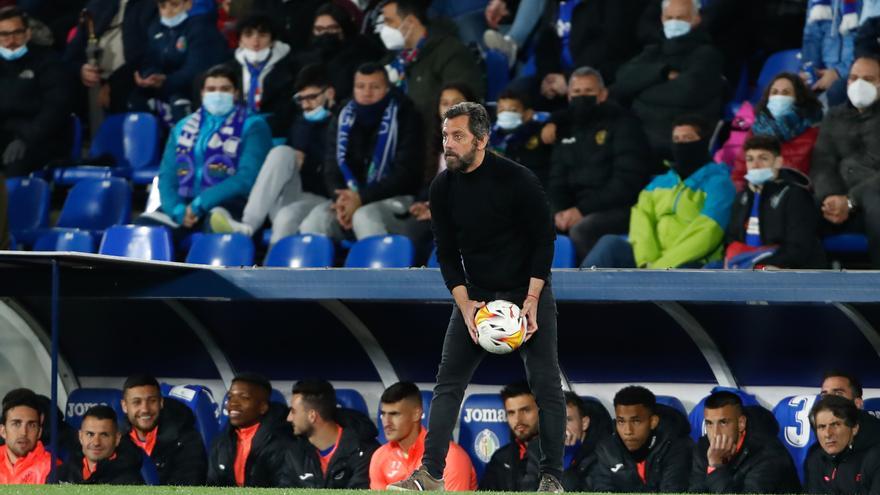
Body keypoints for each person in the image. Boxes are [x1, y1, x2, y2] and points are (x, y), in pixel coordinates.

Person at [388, 102, 565, 492]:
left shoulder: (517, 180)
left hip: (526, 292)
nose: (448, 145)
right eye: (446, 136)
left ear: (482, 140)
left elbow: (544, 240)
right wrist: (465, 304)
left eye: (458, 137)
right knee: (447, 384)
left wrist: (533, 298)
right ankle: (431, 475)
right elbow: (447, 253)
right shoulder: (442, 187)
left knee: (547, 385)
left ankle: (552, 478)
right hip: (478, 297)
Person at [137, 64, 272, 241]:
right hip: (184, 206)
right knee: (142, 228)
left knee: (215, 224)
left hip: (231, 204)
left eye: (225, 89)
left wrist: (201, 203)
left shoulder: (253, 125)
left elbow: (247, 177)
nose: (217, 94)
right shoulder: (182, 127)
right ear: (202, 93)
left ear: (236, 93)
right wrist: (177, 210)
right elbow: (167, 176)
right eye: (211, 89)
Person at [583, 115, 735, 268]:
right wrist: (646, 261)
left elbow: (708, 232)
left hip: (691, 262)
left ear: (703, 142)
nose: (681, 144)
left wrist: (661, 267)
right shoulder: (659, 183)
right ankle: (576, 290)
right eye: (676, 139)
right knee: (609, 244)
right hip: (650, 261)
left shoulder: (719, 183)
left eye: (688, 138)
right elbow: (641, 221)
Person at [210, 64, 335, 245]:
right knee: (281, 152)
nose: (306, 104)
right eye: (301, 99)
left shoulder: (341, 124)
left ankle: (269, 264)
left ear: (329, 93)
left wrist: (310, 162)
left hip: (324, 197)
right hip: (294, 193)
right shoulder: (299, 124)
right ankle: (248, 223)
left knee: (286, 217)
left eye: (312, 98)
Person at [299, 63, 424, 241]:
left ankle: (379, 268)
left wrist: (362, 198)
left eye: (375, 87)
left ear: (387, 89)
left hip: (395, 198)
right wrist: (342, 199)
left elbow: (405, 174)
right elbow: (331, 168)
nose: (367, 92)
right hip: (349, 198)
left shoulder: (406, 115)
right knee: (314, 221)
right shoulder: (343, 116)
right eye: (360, 86)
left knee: (365, 217)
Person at [548, 67, 653, 262]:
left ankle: (589, 289)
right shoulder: (566, 129)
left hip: (621, 208)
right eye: (577, 92)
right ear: (569, 96)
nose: (582, 97)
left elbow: (627, 182)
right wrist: (560, 211)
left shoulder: (624, 124)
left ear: (603, 94)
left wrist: (582, 210)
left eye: (589, 92)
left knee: (583, 229)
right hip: (578, 208)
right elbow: (557, 179)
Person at [613, 0, 723, 162]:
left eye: (681, 17)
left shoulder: (707, 55)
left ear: (696, 19)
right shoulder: (654, 50)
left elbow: (685, 93)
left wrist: (640, 89)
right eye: (669, 17)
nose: (674, 22)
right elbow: (622, 80)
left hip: (675, 141)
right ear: (662, 19)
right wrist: (662, 73)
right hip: (639, 137)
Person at [811, 56, 880, 268]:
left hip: (871, 198)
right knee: (798, 205)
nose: (859, 84)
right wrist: (830, 196)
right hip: (839, 200)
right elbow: (822, 162)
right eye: (853, 78)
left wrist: (851, 201)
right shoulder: (834, 116)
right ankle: (806, 289)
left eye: (868, 79)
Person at [379, 0, 484, 135]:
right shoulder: (393, 59)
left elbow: (462, 103)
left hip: (432, 140)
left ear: (410, 22)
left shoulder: (449, 52)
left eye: (389, 22)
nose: (384, 29)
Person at [403, 81, 478, 266]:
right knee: (411, 227)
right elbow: (430, 183)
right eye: (445, 103)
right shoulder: (435, 143)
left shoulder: (479, 143)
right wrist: (422, 203)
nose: (450, 108)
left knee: (416, 230)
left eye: (457, 102)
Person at [724, 135, 827, 269]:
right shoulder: (742, 197)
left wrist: (760, 264)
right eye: (750, 159)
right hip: (749, 267)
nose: (755, 165)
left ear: (778, 162)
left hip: (786, 271)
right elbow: (732, 239)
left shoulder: (795, 195)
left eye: (763, 158)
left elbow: (798, 248)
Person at [130, 0, 229, 126]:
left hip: (191, 88)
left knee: (178, 101)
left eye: (174, 5)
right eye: (163, 6)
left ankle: (186, 142)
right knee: (135, 99)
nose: (168, 11)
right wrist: (149, 76)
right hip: (164, 86)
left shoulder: (200, 28)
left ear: (188, 4)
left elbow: (195, 69)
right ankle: (148, 144)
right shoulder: (155, 29)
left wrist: (165, 81)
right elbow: (149, 60)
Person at [0, 6, 72, 177]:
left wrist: (25, 139)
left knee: (15, 164)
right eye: (4, 35)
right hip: (4, 136)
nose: (11, 41)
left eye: (17, 33)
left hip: (40, 139)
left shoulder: (48, 62)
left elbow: (56, 108)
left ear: (28, 34)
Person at [369, 382, 476, 491]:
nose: (386, 422)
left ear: (416, 414)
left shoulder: (449, 457)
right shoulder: (379, 457)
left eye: (394, 414)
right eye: (383, 414)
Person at [688, 391, 801, 494]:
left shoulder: (769, 454)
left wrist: (716, 468)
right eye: (709, 423)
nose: (715, 433)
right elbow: (696, 491)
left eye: (723, 422)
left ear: (741, 423)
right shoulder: (704, 448)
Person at [729, 73, 823, 192]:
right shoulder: (756, 130)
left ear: (798, 99)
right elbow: (739, 173)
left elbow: (818, 176)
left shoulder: (813, 132)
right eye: (774, 92)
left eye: (785, 93)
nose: (778, 97)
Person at [590, 386, 692, 492]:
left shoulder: (675, 447)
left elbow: (673, 490)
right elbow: (602, 489)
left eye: (636, 421)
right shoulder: (607, 449)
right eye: (621, 422)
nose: (628, 431)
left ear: (653, 422)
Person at [64, 0, 156, 115]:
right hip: (93, 82)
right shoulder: (96, 5)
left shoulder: (150, 6)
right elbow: (71, 55)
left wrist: (112, 85)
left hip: (129, 81)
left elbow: (148, 54)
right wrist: (80, 69)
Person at [207, 372, 297, 487]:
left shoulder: (283, 442)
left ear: (262, 407)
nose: (233, 403)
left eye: (244, 398)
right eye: (230, 397)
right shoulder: (221, 443)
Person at [286, 379, 378, 488]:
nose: (289, 418)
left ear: (312, 416)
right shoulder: (295, 452)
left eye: (293, 411)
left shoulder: (364, 452)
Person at [120, 374, 207, 485]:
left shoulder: (187, 440)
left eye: (152, 401)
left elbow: (188, 488)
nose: (145, 409)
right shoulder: (115, 440)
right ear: (124, 406)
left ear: (161, 402)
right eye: (137, 402)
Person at [294, 2, 384, 103]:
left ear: (344, 28)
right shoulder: (305, 59)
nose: (325, 34)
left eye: (332, 28)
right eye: (319, 29)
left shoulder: (362, 54)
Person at [227, 13, 297, 136]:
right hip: (235, 132)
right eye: (248, 35)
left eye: (262, 35)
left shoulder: (290, 69)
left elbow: (288, 113)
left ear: (272, 41)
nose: (256, 40)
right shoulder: (229, 69)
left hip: (274, 133)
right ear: (240, 41)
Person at [804, 394, 880, 493]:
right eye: (822, 427)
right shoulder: (816, 458)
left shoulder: (875, 458)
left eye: (835, 425)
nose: (828, 434)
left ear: (854, 429)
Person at [479, 382, 543, 491]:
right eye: (511, 413)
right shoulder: (500, 459)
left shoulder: (558, 454)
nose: (518, 420)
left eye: (525, 410)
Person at [58, 405, 145, 484]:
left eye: (104, 435)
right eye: (90, 434)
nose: (96, 442)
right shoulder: (62, 474)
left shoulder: (130, 482)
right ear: (80, 437)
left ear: (117, 439)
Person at [490, 86, 553, 189]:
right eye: (501, 110)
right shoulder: (487, 134)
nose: (506, 114)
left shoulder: (539, 132)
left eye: (513, 110)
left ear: (527, 114)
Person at [801, 0, 862, 106]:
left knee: (832, 97)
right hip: (822, 74)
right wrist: (810, 72)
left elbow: (869, 42)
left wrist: (838, 72)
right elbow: (811, 37)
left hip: (854, 75)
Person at [561, 392, 612, 492]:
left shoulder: (602, 458)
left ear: (584, 423)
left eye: (568, 420)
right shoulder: (538, 452)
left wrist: (567, 457)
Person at [0, 390, 51, 484]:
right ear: (3, 431)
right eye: (16, 424)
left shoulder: (52, 468)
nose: (24, 432)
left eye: (31, 425)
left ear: (39, 432)